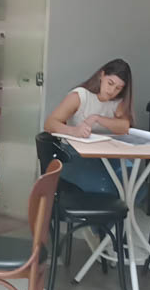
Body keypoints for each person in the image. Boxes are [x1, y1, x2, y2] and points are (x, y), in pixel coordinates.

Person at [43, 58, 134, 195]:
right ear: (102, 75)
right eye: (110, 83)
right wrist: (74, 131)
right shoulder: (80, 96)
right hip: (76, 155)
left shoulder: (117, 102)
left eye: (118, 88)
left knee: (130, 179)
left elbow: (124, 127)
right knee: (106, 186)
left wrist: (98, 118)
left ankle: (119, 208)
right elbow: (50, 123)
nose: (112, 91)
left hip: (106, 155)